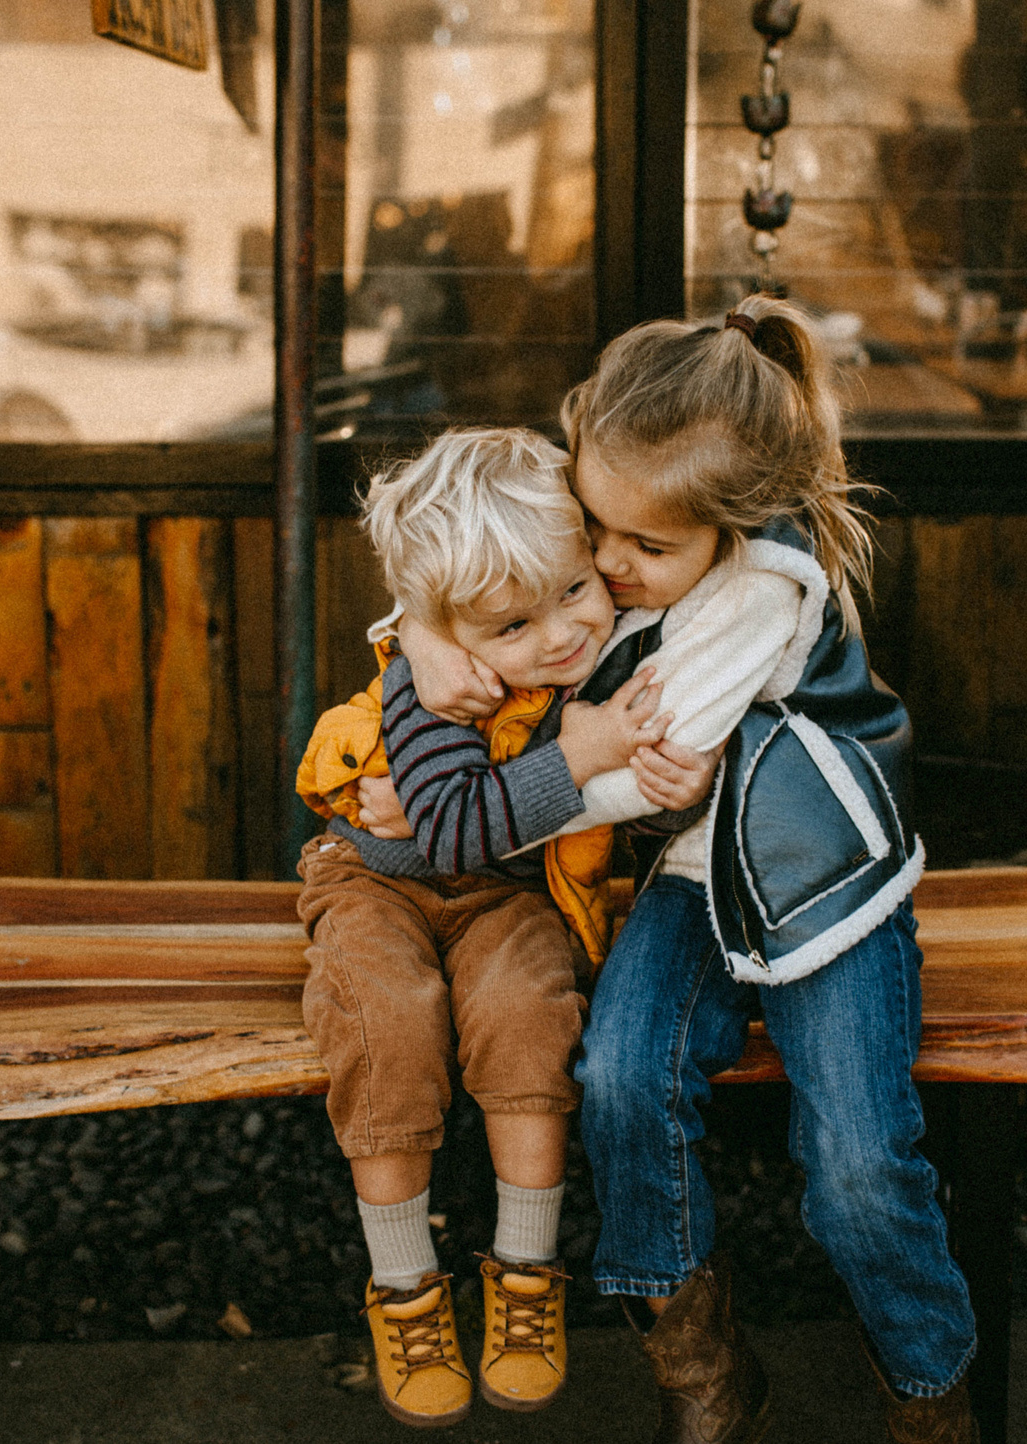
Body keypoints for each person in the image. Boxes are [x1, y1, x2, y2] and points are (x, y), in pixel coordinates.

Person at [396, 297, 979, 1444]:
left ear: (732, 520)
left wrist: (474, 812)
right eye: (594, 531)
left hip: (820, 888)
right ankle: (703, 1371)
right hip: (691, 877)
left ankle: (929, 1395)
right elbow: (488, 565)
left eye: (641, 551)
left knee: (855, 1159)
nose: (602, 569)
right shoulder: (628, 505)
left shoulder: (760, 588)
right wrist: (421, 630)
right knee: (618, 1077)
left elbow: (626, 775)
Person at [293, 427, 719, 1428]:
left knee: (530, 1009)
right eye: (515, 622)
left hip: (510, 899)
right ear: (453, 629)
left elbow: (642, 798)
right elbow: (442, 827)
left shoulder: (609, 653)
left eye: (574, 589)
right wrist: (581, 754)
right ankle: (405, 1286)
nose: (562, 634)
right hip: (377, 884)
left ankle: (527, 1273)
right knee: (385, 1016)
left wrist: (660, 786)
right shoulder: (434, 678)